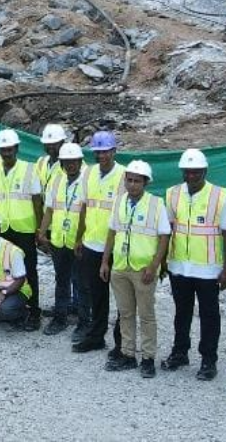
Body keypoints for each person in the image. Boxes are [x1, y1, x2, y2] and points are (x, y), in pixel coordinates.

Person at [162, 148, 226, 381]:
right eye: (187, 172)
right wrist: (163, 261)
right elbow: (167, 231)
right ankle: (180, 351)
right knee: (181, 312)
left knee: (209, 315)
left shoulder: (219, 196)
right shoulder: (172, 194)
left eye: (196, 173)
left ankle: (208, 360)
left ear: (204, 171)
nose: (191, 177)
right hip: (179, 266)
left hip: (208, 269)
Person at [100, 161, 171, 378]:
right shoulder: (119, 201)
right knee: (125, 313)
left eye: (137, 181)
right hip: (120, 266)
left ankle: (148, 357)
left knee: (146, 315)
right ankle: (127, 354)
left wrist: (154, 265)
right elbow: (112, 232)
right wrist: (105, 261)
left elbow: (164, 237)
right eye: (129, 180)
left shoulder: (156, 204)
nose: (132, 185)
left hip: (143, 270)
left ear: (145, 182)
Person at [72, 130, 126, 354]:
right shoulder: (89, 174)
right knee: (97, 293)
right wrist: (79, 237)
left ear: (113, 151)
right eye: (97, 152)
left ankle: (123, 342)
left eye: (105, 152)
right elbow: (84, 206)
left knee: (123, 297)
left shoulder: (124, 175)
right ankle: (96, 335)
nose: (101, 156)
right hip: (92, 243)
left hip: (116, 246)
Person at [0, 128, 43, 331]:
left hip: (24, 229)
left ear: (17, 149)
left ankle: (34, 310)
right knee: (7, 269)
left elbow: (37, 201)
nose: (6, 153)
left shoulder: (29, 169)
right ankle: (14, 306)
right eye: (3, 150)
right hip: (3, 229)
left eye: (9, 149)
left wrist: (39, 228)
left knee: (29, 271)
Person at [37, 142, 87, 337]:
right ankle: (60, 317)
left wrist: (81, 238)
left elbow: (87, 212)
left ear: (80, 162)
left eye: (74, 161)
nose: (70, 165)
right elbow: (49, 209)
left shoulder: (86, 182)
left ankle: (84, 321)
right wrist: (42, 231)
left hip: (77, 241)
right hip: (59, 240)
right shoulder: (57, 182)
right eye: (66, 162)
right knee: (61, 280)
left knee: (82, 283)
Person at [35, 124, 69, 189]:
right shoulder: (41, 162)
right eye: (48, 143)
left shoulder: (73, 162)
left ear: (62, 142)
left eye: (54, 143)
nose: (50, 146)